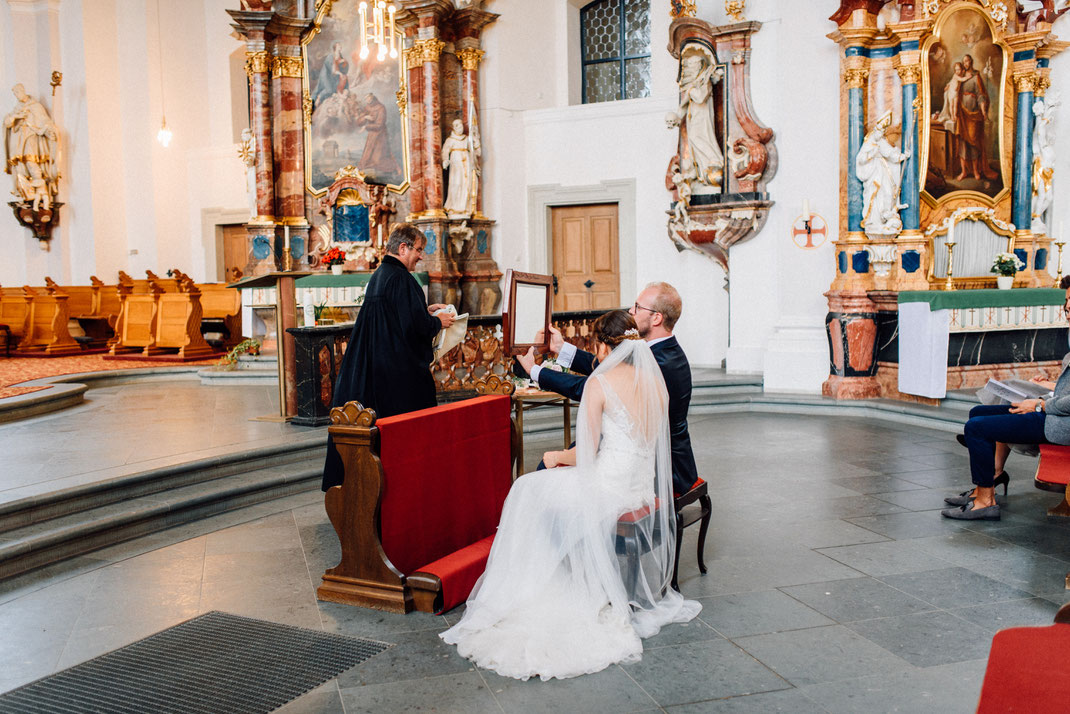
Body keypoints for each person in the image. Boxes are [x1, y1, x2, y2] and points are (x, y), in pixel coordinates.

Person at [441, 310, 702, 681]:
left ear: (602, 345)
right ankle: (567, 570)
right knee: (539, 492)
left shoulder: (601, 382)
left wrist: (554, 456)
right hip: (640, 484)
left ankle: (548, 583)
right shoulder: (654, 379)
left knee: (525, 491)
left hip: (609, 485)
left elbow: (586, 455)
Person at [516, 282, 699, 497]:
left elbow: (592, 386)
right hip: (642, 450)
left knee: (548, 471)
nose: (631, 311)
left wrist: (534, 371)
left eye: (638, 307)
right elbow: (607, 365)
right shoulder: (662, 352)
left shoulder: (659, 362)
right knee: (572, 451)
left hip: (661, 467)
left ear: (656, 318)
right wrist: (560, 349)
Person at [321, 223, 455, 491]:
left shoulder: (382, 275)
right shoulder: (402, 279)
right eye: (418, 250)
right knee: (405, 439)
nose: (420, 256)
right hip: (396, 378)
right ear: (402, 248)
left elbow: (395, 317)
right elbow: (412, 329)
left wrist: (423, 310)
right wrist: (437, 322)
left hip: (373, 370)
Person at [943, 279, 1070, 520]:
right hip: (1055, 412)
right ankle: (987, 483)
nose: (1067, 309)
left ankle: (985, 500)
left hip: (1060, 422)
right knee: (978, 413)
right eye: (1066, 304)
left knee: (977, 428)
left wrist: (1039, 404)